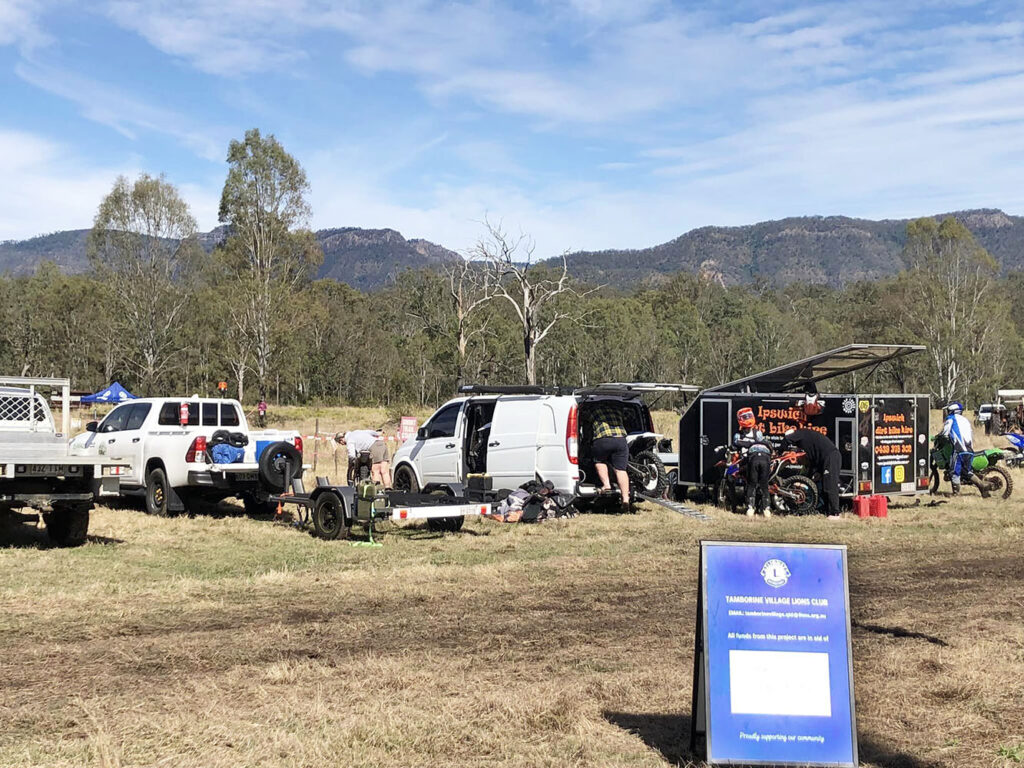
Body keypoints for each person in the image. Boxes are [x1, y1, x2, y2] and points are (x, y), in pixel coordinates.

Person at [784, 427, 842, 517]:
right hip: (823, 459)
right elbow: (813, 457)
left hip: (830, 457)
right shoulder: (806, 438)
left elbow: (787, 439)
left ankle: (835, 513)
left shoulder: (800, 433)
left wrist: (780, 451)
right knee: (821, 484)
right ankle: (824, 510)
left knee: (830, 484)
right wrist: (813, 473)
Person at [732, 407, 772, 518]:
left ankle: (752, 507)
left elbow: (737, 444)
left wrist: (746, 444)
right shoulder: (738, 435)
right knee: (762, 483)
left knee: (753, 483)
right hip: (745, 460)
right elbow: (735, 444)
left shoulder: (757, 433)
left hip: (750, 460)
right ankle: (764, 509)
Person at [590, 403, 630, 510]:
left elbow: (586, 423)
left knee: (599, 461)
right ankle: (625, 499)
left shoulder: (594, 411)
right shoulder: (617, 410)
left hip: (603, 439)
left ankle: (606, 485)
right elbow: (626, 418)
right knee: (621, 469)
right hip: (620, 440)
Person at [941, 402, 976, 494]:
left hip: (959, 450)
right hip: (970, 451)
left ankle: (956, 493)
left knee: (954, 472)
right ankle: (982, 485)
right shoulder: (966, 420)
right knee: (966, 472)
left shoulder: (951, 419)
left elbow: (945, 433)